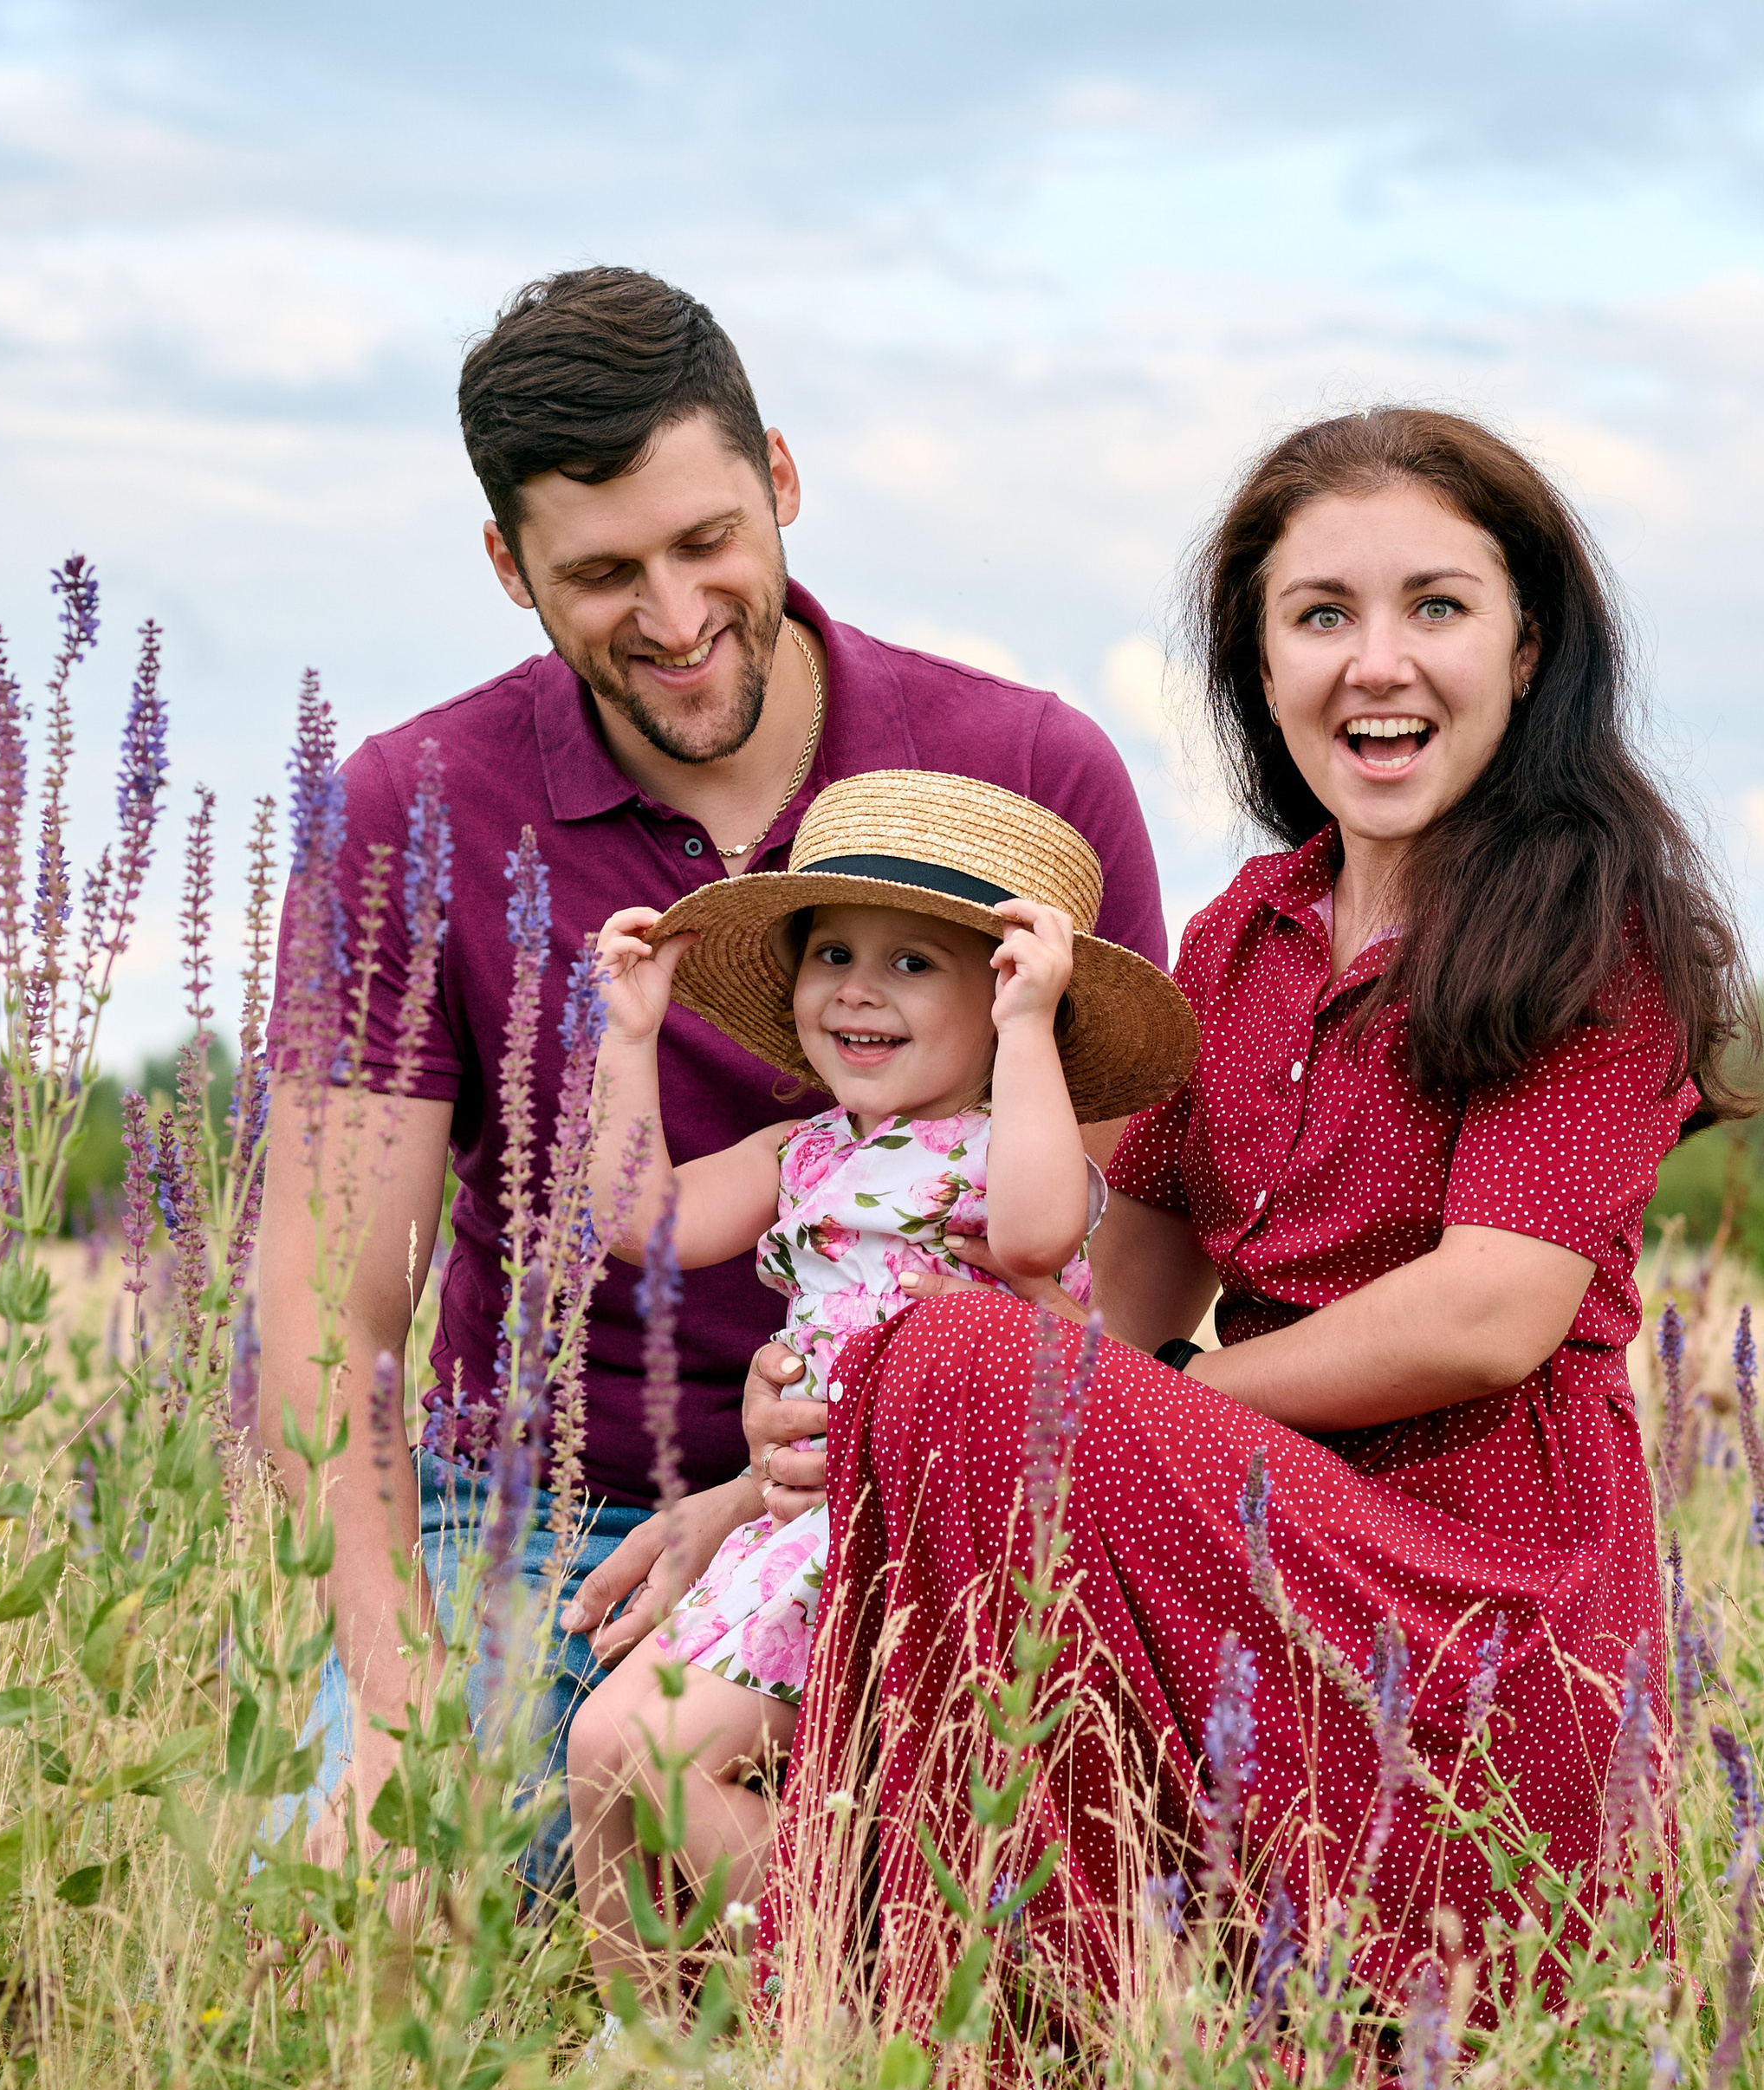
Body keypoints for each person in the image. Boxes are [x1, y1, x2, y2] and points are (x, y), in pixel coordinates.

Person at [685, 405, 1758, 2020]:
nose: (1375, 663)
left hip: (1477, 1613)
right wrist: (833, 1424)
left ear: (1530, 648)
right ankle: (989, 1984)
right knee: (952, 1361)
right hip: (1241, 1552)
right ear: (1263, 668)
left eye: (1437, 607)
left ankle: (966, 1986)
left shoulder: (1590, 937)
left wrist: (1129, 1400)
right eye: (1320, 616)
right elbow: (1101, 1295)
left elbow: (1487, 1315)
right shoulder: (1249, 929)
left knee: (982, 1376)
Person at [260, 267, 1168, 1883]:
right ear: (507, 567)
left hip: (940, 1515)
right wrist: (397, 1709)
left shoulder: (1026, 778)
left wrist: (771, 1492)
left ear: (785, 484)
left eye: (708, 544)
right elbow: (329, 1327)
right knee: (369, 1906)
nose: (675, 621)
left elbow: (1118, 1262)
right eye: (603, 573)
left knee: (996, 1914)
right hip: (541, 1512)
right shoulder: (406, 808)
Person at [561, 770, 1193, 2002]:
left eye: (914, 965)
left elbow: (1031, 1238)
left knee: (668, 1759)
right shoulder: (800, 1154)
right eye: (834, 952)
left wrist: (1026, 1035)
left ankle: (833, 2007)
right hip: (799, 1526)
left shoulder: (1004, 1156)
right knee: (599, 1749)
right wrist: (627, 1041)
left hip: (921, 1537)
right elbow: (639, 1218)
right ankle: (646, 2051)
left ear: (1010, 995)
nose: (856, 985)